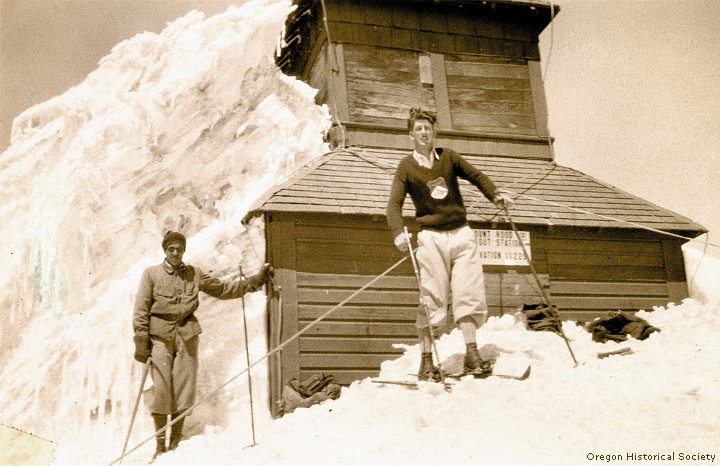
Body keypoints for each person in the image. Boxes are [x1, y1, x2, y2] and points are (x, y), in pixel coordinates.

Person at [386, 108, 512, 381]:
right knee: (432, 299)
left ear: (434, 133)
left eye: (427, 128)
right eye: (418, 128)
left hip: (461, 233)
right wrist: (398, 231)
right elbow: (393, 206)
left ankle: (472, 354)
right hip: (430, 237)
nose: (423, 132)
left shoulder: (449, 157)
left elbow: (477, 176)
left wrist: (496, 195)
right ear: (411, 135)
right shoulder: (406, 167)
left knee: (468, 293)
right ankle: (427, 361)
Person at [132, 231, 273, 458]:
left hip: (187, 336)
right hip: (159, 337)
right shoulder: (151, 275)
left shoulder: (194, 274)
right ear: (165, 251)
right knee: (161, 390)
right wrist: (141, 340)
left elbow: (223, 289)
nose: (175, 253)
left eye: (179, 249)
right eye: (171, 249)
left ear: (184, 250)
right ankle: (160, 445)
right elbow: (140, 310)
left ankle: (175, 444)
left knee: (184, 389)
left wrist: (255, 281)